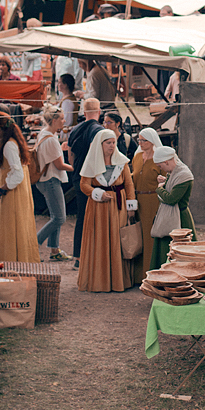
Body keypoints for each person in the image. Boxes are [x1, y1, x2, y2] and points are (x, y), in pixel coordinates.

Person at [77, 129, 136, 292]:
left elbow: (129, 184)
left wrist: (131, 205)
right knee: (100, 240)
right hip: (99, 209)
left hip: (118, 206)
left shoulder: (122, 161)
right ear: (100, 145)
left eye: (113, 142)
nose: (111, 146)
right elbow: (84, 185)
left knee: (118, 239)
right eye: (108, 143)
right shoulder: (91, 162)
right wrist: (98, 194)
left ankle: (118, 280)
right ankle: (99, 281)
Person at [0, 112, 40, 263]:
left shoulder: (9, 145)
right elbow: (12, 165)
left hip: (13, 193)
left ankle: (11, 262)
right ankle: (20, 260)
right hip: (19, 191)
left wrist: (0, 190)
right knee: (20, 227)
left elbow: (17, 174)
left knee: (10, 229)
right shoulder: (12, 142)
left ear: (1, 128)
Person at [64, 98, 104, 269]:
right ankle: (96, 255)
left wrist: (75, 169)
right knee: (97, 217)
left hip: (78, 176)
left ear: (83, 112)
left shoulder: (74, 129)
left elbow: (70, 155)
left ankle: (79, 256)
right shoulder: (99, 130)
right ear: (99, 112)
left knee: (82, 216)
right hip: (94, 179)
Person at [36, 105, 74, 261]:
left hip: (45, 179)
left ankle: (54, 250)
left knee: (55, 216)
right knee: (59, 218)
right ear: (54, 120)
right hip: (51, 179)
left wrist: (60, 148)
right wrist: (75, 168)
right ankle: (34, 244)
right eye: (62, 118)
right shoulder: (51, 139)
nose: (64, 121)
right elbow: (59, 165)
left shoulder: (44, 134)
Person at [149, 146, 196, 269]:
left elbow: (171, 199)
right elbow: (171, 191)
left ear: (166, 162)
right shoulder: (173, 173)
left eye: (160, 166)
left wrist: (159, 188)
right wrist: (166, 181)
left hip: (180, 220)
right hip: (170, 218)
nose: (161, 169)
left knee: (181, 255)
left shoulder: (184, 175)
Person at [130, 127, 162, 283]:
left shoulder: (159, 159)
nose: (141, 143)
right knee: (138, 237)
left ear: (152, 141)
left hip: (153, 201)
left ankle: (150, 275)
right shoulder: (136, 157)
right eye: (139, 140)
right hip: (137, 201)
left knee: (150, 238)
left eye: (144, 140)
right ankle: (137, 276)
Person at [57, 73, 78, 142]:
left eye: (60, 82)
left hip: (67, 136)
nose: (58, 84)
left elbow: (67, 121)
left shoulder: (67, 102)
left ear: (65, 85)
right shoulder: (66, 98)